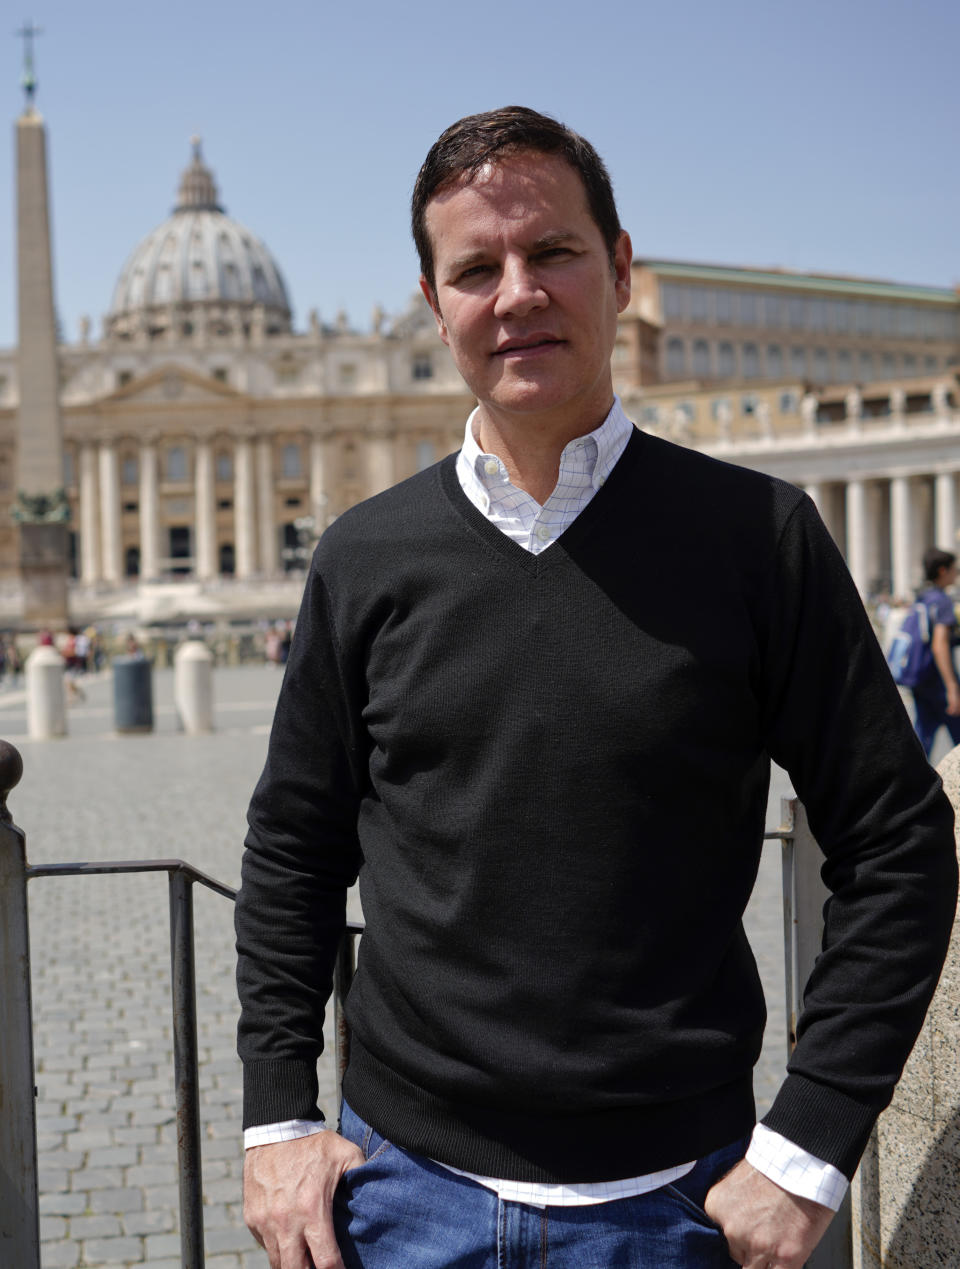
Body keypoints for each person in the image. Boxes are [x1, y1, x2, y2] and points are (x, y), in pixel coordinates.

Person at [235, 107, 957, 1269]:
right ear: (437, 307)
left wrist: (811, 1144)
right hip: (399, 1191)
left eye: (553, 253)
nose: (517, 293)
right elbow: (292, 847)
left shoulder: (758, 538)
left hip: (676, 1207)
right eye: (477, 269)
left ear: (618, 271)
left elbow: (901, 845)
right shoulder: (364, 555)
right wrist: (278, 1118)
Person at [910, 546, 960, 757]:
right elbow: (939, 645)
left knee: (922, 737)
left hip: (920, 677)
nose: (957, 573)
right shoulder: (942, 601)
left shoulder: (924, 597)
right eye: (954, 569)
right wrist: (952, 687)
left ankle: (912, 782)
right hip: (938, 680)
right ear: (942, 571)